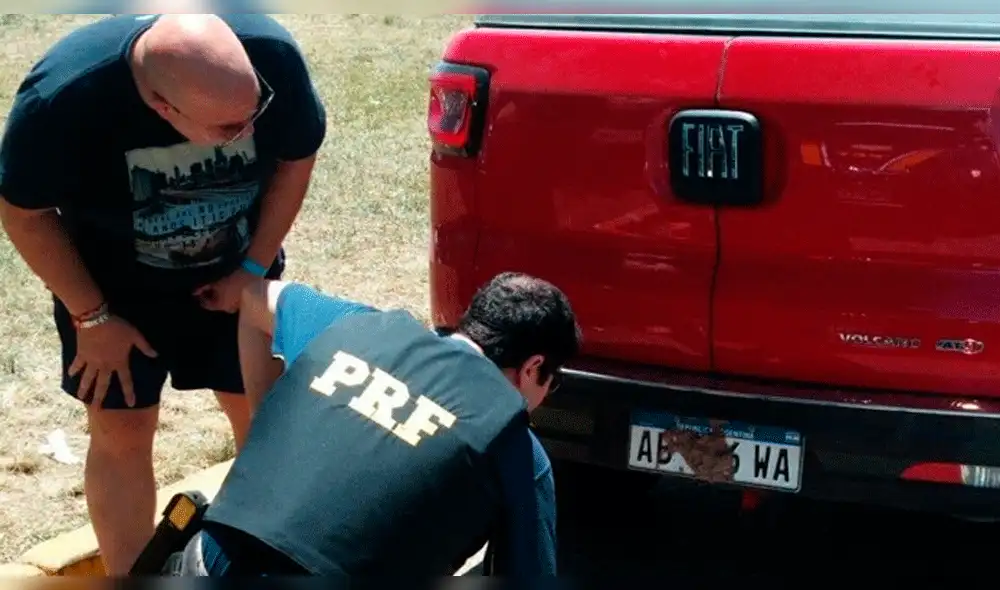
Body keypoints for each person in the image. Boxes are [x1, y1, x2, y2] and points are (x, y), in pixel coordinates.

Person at [0, 14, 325, 575]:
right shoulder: (62, 98)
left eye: (256, 112)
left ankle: (267, 567)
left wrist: (252, 270)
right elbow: (23, 213)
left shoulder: (269, 57)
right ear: (162, 108)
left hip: (234, 269)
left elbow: (296, 157)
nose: (251, 131)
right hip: (112, 289)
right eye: (229, 127)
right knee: (122, 429)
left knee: (265, 418)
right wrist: (92, 317)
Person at [169, 271, 582, 577]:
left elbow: (254, 295)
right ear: (534, 367)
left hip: (206, 562)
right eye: (554, 382)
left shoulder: (354, 325)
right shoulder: (513, 443)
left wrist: (259, 435)